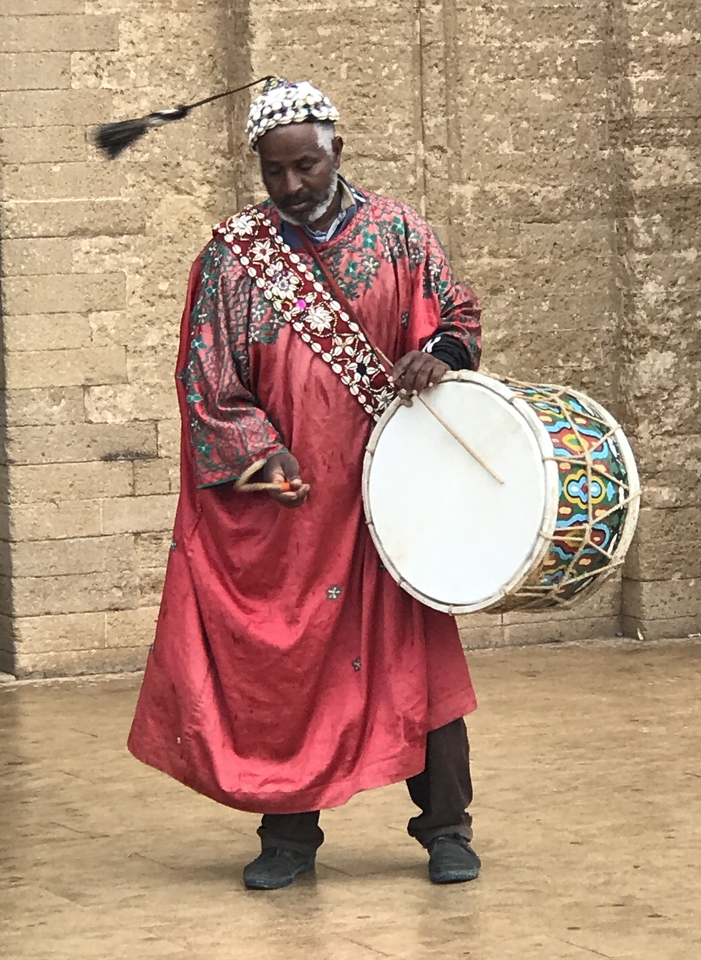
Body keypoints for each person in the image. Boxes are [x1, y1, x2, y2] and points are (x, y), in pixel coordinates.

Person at [128, 78, 484, 890]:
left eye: (306, 167)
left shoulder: (398, 231)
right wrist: (263, 451)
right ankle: (288, 838)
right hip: (294, 510)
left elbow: (457, 315)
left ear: (337, 151)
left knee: (417, 665)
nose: (291, 187)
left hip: (391, 497)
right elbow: (203, 378)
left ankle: (447, 829)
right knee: (288, 668)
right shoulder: (232, 255)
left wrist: (444, 357)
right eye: (274, 172)